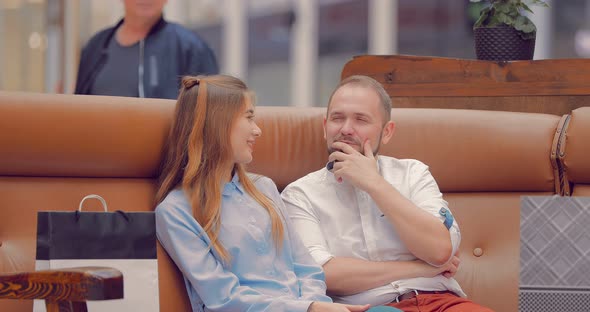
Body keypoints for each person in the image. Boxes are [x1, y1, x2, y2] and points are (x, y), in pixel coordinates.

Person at [154, 74, 376, 312]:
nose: (257, 130)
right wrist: (307, 309)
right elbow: (223, 298)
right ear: (218, 123)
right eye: (249, 118)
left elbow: (306, 267)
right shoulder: (174, 211)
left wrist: (315, 304)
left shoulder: (264, 187)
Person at [281, 75, 494, 312]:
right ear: (325, 127)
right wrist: (423, 268)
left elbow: (439, 250)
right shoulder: (299, 194)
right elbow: (323, 275)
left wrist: (374, 183)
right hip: (369, 307)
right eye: (337, 118)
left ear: (387, 131)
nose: (346, 129)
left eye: (361, 120)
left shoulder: (413, 173)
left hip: (441, 301)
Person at [75, 0, 218, 99]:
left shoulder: (192, 49)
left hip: (164, 144)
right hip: (98, 143)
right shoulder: (95, 47)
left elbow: (211, 117)